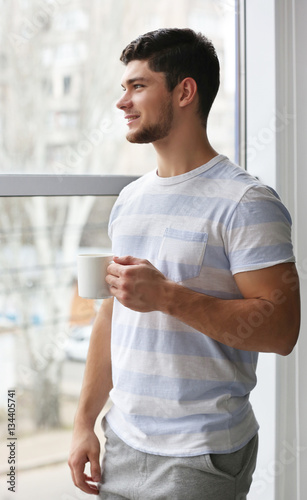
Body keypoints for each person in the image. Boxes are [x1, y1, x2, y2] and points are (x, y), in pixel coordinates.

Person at [68, 28, 300, 499]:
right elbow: (110, 315)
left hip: (201, 456)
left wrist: (168, 296)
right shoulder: (130, 200)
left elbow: (282, 331)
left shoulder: (246, 201)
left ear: (184, 92)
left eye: (137, 86)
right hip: (123, 444)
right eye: (123, 88)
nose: (122, 102)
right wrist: (83, 423)